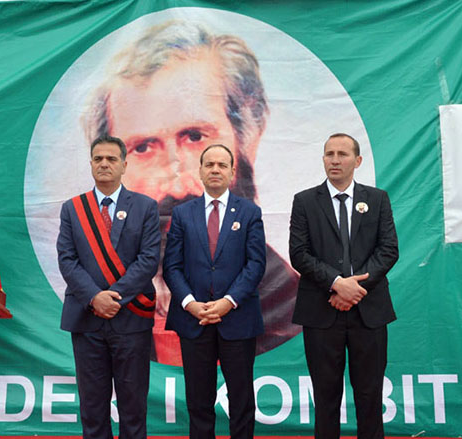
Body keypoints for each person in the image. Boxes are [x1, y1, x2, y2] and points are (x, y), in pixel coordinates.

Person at [82, 19, 300, 365]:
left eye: (195, 137)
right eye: (143, 147)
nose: (177, 181)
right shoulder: (105, 301)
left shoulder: (292, 307)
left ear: (246, 140)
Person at [289, 134, 398, 439]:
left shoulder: (377, 200)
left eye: (342, 154)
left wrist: (355, 288)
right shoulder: (305, 201)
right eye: (329, 154)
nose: (335, 160)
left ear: (357, 161)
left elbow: (388, 250)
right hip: (322, 312)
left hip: (369, 312)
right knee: (326, 396)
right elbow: (299, 254)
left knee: (369, 395)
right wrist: (337, 284)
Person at [57, 135, 160, 439]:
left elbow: (149, 259)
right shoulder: (73, 209)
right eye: (98, 158)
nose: (104, 164)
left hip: (129, 317)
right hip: (87, 318)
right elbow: (67, 259)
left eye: (111, 158)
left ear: (124, 165)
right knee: (93, 401)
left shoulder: (145, 207)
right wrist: (94, 298)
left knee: (133, 399)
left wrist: (114, 296)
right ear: (90, 163)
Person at [163, 144, 266, 439]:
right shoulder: (183, 214)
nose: (216, 170)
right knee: (198, 401)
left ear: (232, 171)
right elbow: (171, 266)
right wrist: (191, 304)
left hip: (237, 319)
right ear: (201, 169)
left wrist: (226, 302)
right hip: (194, 321)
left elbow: (255, 265)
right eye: (210, 164)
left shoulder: (249, 212)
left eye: (223, 164)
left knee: (241, 402)